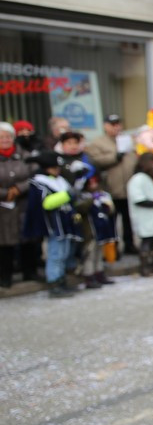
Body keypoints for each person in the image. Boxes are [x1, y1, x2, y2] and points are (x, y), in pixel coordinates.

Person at [22, 152, 78, 298]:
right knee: (55, 254)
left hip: (64, 222)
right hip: (53, 225)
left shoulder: (59, 180)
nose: (57, 170)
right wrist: (67, 195)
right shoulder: (39, 182)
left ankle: (61, 280)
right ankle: (54, 283)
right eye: (54, 168)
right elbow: (46, 203)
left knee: (64, 253)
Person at [86, 114, 138, 257]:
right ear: (105, 126)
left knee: (128, 219)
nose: (116, 127)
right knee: (111, 220)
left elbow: (134, 158)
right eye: (112, 124)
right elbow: (95, 160)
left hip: (127, 188)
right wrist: (115, 157)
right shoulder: (98, 142)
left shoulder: (126, 140)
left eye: (118, 124)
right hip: (110, 189)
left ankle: (129, 244)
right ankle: (112, 249)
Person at [0, 122, 35, 289]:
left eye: (8, 136)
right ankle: (5, 277)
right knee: (5, 243)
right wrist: (5, 193)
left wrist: (18, 188)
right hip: (3, 207)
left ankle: (30, 272)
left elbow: (35, 175)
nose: (5, 139)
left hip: (23, 204)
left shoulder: (25, 155)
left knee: (27, 239)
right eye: (1, 137)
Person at [126, 152, 153, 277]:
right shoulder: (138, 179)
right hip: (145, 216)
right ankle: (145, 267)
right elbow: (138, 198)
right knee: (146, 242)